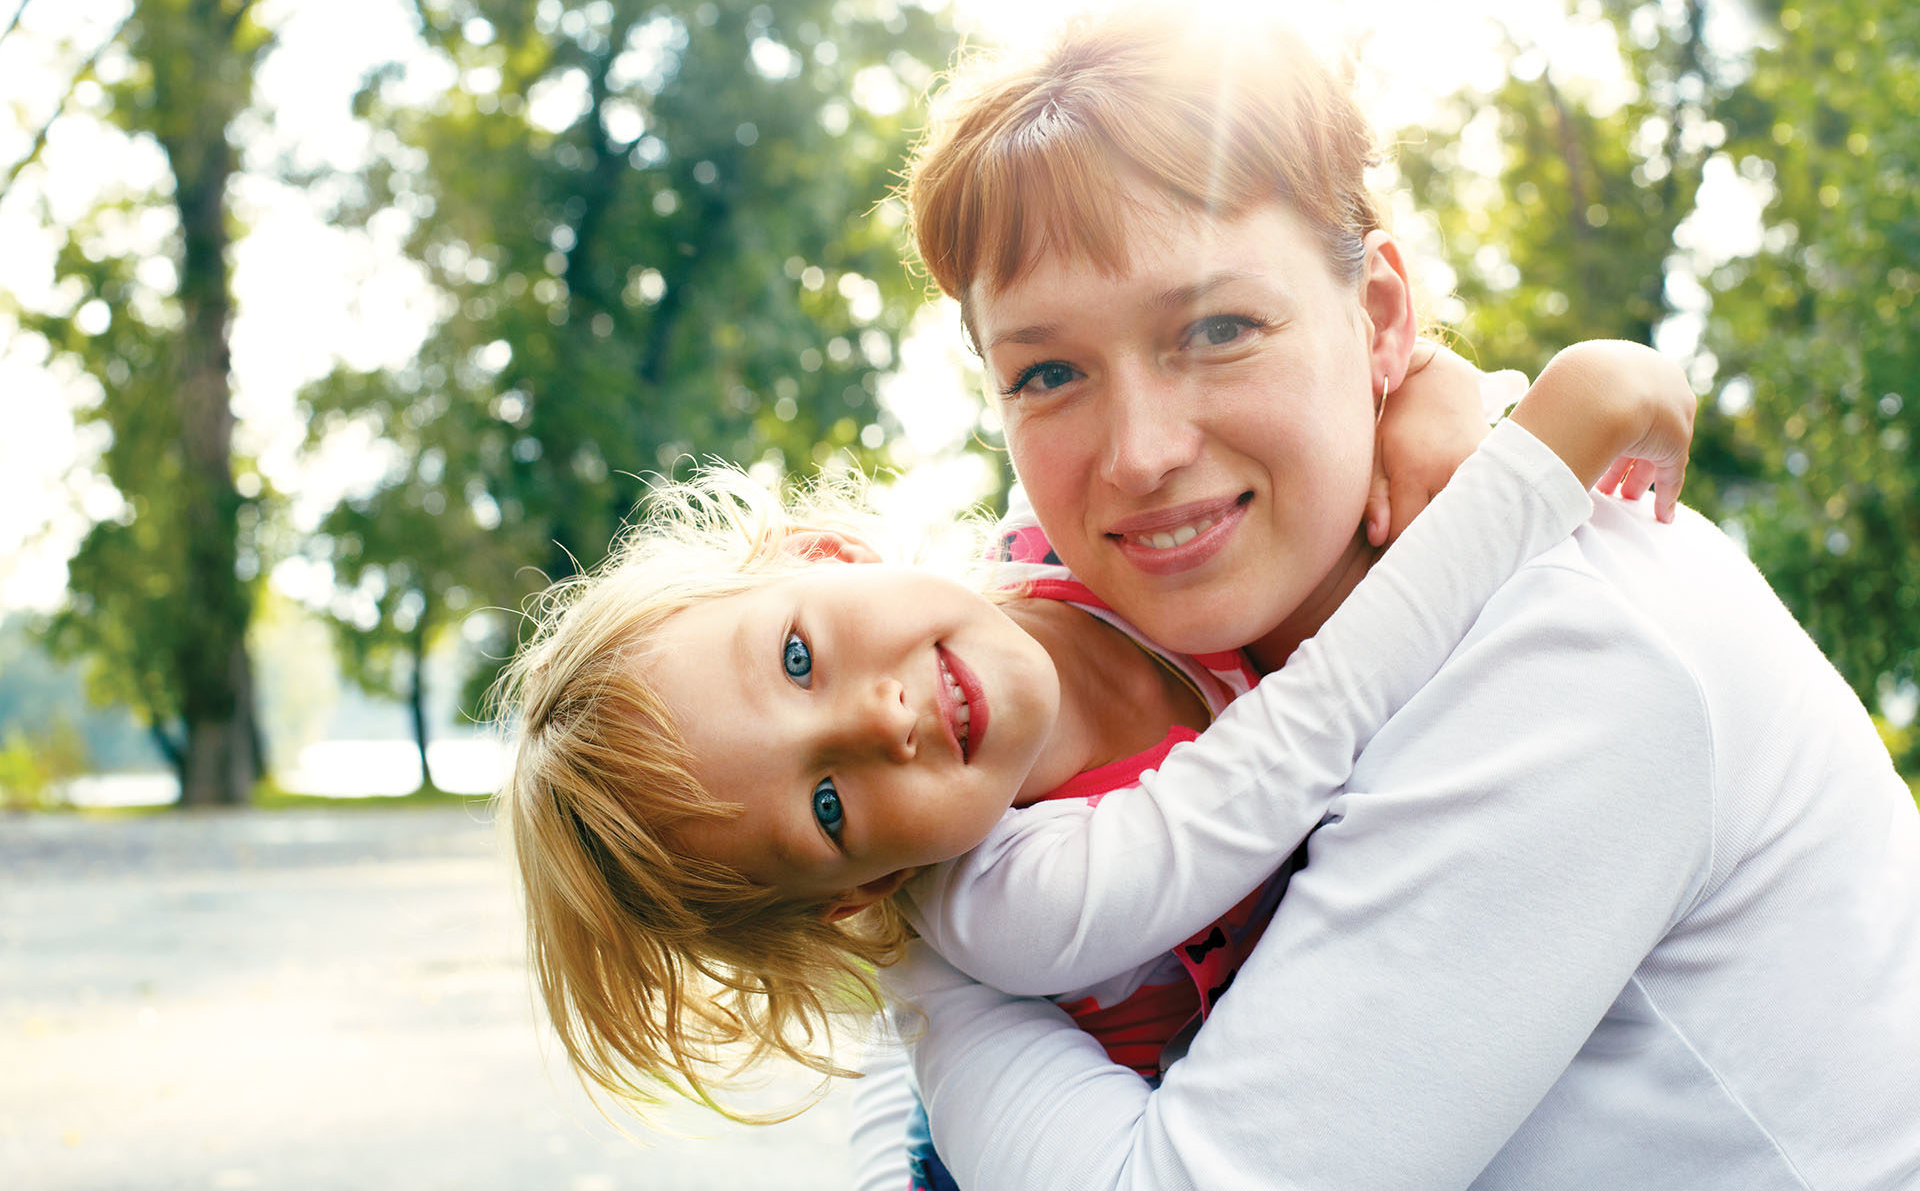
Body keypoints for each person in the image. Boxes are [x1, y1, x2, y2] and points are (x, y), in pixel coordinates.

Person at [865, 8, 1920, 1190]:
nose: (1139, 454)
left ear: (1379, 321)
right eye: (1049, 372)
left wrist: (911, 930)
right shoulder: (1172, 613)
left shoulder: (1565, 658)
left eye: (1217, 329)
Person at [494, 337, 1691, 1132]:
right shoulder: (1028, 897)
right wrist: (1551, 435)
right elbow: (1323, 715)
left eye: (800, 656)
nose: (877, 718)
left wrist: (1426, 385)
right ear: (856, 896)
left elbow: (1275, 441)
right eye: (826, 804)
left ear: (828, 558)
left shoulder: (1056, 546)